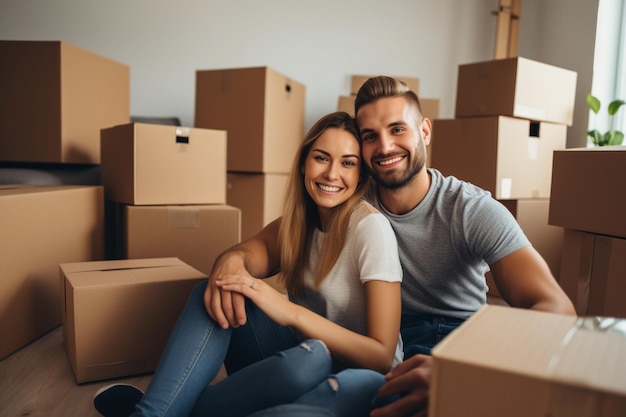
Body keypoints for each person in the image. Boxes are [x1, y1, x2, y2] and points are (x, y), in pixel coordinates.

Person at [204, 76, 577, 417]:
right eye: (370, 135)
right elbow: (268, 244)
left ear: (425, 131)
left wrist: (464, 367)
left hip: (451, 341)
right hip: (375, 338)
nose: (385, 146)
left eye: (397, 129)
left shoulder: (471, 210)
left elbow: (557, 309)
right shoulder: (349, 194)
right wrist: (232, 260)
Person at [93, 111, 404, 417]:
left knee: (313, 369)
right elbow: (247, 253)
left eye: (348, 163)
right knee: (217, 290)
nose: (332, 174)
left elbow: (381, 356)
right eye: (321, 158)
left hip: (358, 376)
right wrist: (229, 263)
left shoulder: (370, 229)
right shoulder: (298, 225)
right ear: (303, 164)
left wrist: (290, 311)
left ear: (361, 175)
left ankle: (160, 408)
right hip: (302, 360)